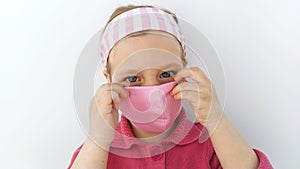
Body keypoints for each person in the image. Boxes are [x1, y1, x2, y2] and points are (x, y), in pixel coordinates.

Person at [67, 5, 273, 169]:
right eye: (132, 79)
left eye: (166, 74)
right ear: (109, 81)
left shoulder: (212, 144)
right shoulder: (97, 151)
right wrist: (97, 141)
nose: (154, 92)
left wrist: (216, 120)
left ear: (185, 70)